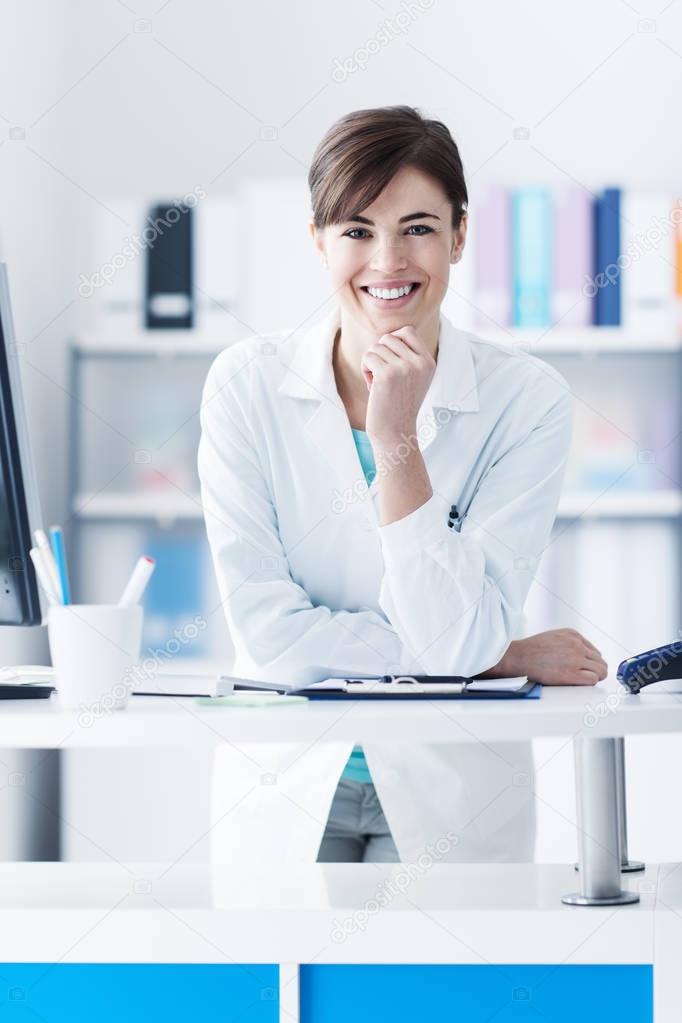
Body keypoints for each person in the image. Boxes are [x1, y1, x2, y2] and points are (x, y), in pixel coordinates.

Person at [197, 105, 607, 866]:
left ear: (458, 234)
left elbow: (451, 640)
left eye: (417, 227)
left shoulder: (527, 399)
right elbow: (272, 639)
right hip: (285, 779)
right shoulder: (244, 385)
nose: (387, 260)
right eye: (356, 230)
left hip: (451, 787)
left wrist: (396, 440)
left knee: (437, 985)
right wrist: (494, 656)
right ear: (318, 241)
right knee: (286, 981)